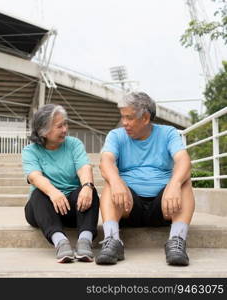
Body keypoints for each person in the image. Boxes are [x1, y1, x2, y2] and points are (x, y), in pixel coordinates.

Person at [95, 91, 195, 266]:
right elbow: (106, 161)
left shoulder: (168, 133)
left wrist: (174, 183)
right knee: (111, 182)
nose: (124, 123)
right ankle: (112, 240)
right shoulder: (116, 135)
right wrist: (117, 181)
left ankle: (177, 242)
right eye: (123, 117)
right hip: (128, 205)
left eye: (129, 118)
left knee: (184, 181)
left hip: (165, 205)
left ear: (146, 118)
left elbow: (183, 160)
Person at [22, 104, 99, 263]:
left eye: (65, 124)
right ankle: (61, 242)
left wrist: (87, 186)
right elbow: (35, 177)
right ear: (43, 130)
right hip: (44, 210)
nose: (65, 129)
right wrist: (53, 192)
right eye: (59, 126)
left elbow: (84, 167)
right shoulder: (30, 151)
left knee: (89, 190)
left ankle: (85, 241)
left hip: (72, 207)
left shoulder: (74, 144)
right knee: (38, 193)